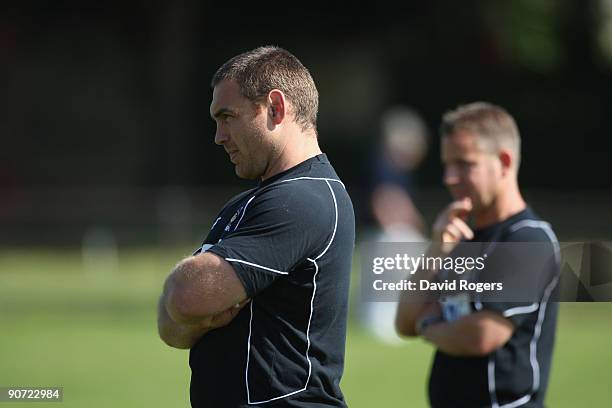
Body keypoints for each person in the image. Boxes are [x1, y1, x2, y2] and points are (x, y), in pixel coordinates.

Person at [156, 46, 355, 408]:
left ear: (276, 108)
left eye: (227, 116)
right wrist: (191, 301)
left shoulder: (303, 199)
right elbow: (170, 325)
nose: (218, 136)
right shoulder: (249, 203)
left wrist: (193, 302)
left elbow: (185, 298)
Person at [395, 102, 559, 408]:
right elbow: (404, 321)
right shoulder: (459, 238)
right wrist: (435, 249)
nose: (450, 177)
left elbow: (483, 334)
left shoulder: (528, 239)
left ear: (504, 162)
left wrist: (429, 327)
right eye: (447, 165)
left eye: (464, 164)